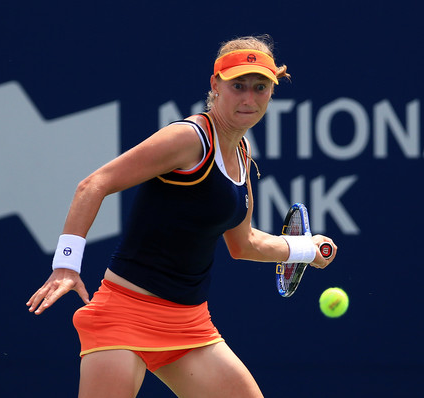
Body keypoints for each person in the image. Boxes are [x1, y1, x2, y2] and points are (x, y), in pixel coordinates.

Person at [27, 35, 337, 398]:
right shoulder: (188, 138)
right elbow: (93, 185)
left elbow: (244, 243)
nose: (249, 98)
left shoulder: (241, 155)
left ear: (271, 92)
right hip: (124, 314)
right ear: (215, 86)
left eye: (260, 87)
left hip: (190, 326)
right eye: (238, 86)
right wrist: (66, 264)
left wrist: (305, 249)